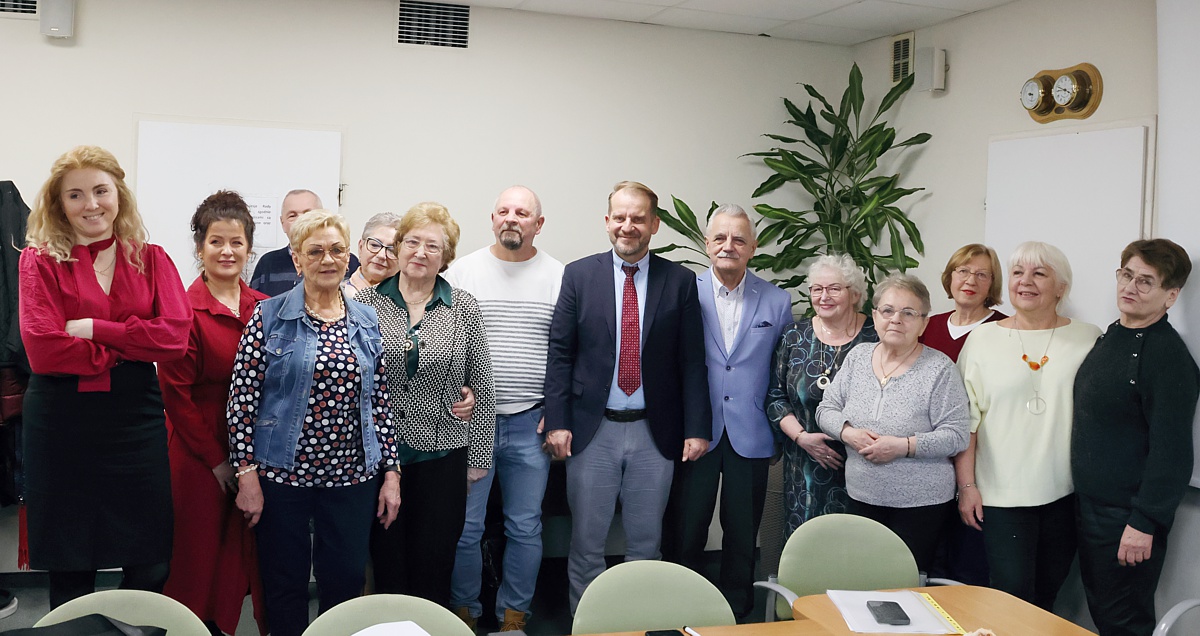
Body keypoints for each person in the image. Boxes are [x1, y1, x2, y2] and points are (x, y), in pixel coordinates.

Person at [19, 145, 190, 607]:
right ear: (58, 205)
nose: (91, 204)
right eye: (75, 195)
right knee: (72, 562)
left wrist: (98, 331)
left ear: (119, 195)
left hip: (134, 417)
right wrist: (125, 352)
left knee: (150, 557)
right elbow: (44, 349)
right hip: (61, 419)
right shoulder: (39, 260)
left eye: (100, 190)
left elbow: (174, 338)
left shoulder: (152, 258)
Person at [228, 210, 400, 636]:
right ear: (297, 258)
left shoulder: (366, 319)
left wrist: (391, 472)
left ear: (349, 258)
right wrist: (246, 475)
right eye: (316, 251)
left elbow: (380, 400)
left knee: (342, 584)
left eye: (337, 250)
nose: (328, 259)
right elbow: (242, 400)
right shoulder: (269, 316)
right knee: (284, 586)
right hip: (282, 476)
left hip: (352, 478)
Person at [545, 181, 711, 613]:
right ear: (606, 222)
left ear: (654, 224)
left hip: (654, 435)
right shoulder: (579, 275)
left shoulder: (680, 281)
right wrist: (558, 420)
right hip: (591, 431)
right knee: (586, 543)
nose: (628, 226)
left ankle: (639, 619)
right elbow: (561, 354)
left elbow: (692, 362)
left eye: (638, 218)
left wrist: (697, 428)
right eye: (620, 217)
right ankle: (590, 622)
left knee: (645, 542)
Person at [357, 202, 496, 607]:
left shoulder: (465, 308)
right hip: (379, 459)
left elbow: (483, 387)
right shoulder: (364, 305)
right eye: (412, 242)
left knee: (434, 565)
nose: (420, 252)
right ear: (398, 248)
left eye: (432, 246)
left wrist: (479, 457)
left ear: (445, 257)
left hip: (443, 455)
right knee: (387, 563)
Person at [956, 241, 1101, 611]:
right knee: (1011, 596)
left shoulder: (1089, 338)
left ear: (1061, 288)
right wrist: (967, 486)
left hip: (1065, 493)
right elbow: (967, 421)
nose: (1026, 281)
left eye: (1040, 273)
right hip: (1000, 494)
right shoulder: (983, 338)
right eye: (1018, 272)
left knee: (1048, 594)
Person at [445, 186, 563, 632]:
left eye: (523, 212)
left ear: (538, 223)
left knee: (525, 527)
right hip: (472, 423)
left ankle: (513, 618)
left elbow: (566, 351)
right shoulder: (462, 272)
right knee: (465, 527)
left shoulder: (558, 275)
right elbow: (444, 342)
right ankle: (463, 613)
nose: (512, 218)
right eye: (504, 211)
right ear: (492, 218)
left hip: (531, 422)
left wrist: (558, 408)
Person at [1072, 239, 1199, 636]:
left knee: (1123, 621)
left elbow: (1173, 452)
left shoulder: (1167, 356)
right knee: (1104, 613)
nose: (1130, 286)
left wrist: (1144, 522)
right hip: (1092, 505)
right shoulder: (1114, 334)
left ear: (1171, 296)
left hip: (1126, 517)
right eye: (1126, 274)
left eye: (1146, 281)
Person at [158, 191, 269, 636]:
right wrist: (218, 461)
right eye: (216, 242)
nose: (227, 251)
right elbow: (176, 397)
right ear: (199, 247)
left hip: (254, 452)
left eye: (236, 242)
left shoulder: (265, 306)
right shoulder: (181, 310)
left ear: (249, 248)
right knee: (198, 556)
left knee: (243, 556)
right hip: (197, 451)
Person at [673, 203, 791, 619]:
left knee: (743, 536)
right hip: (696, 432)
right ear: (707, 244)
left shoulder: (777, 301)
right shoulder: (684, 290)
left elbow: (782, 372)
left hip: (752, 434)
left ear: (753, 247)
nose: (729, 246)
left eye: (739, 239)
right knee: (687, 530)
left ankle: (737, 616)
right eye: (720, 237)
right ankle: (684, 611)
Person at [815, 274, 971, 572]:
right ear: (875, 316)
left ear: (924, 322)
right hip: (861, 495)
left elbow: (956, 436)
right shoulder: (858, 357)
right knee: (860, 579)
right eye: (887, 311)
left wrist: (903, 446)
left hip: (920, 505)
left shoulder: (940, 369)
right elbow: (826, 410)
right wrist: (849, 434)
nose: (896, 319)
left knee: (905, 587)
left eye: (908, 313)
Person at [766, 253, 877, 537]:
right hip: (804, 464)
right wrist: (803, 439)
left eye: (834, 288)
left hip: (864, 464)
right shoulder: (794, 335)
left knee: (858, 547)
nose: (823, 296)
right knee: (808, 544)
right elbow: (775, 396)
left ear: (854, 294)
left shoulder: (876, 335)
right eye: (817, 289)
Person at [920, 244, 1006, 585]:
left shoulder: (1003, 329)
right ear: (950, 277)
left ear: (992, 284)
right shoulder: (927, 326)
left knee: (969, 565)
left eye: (982, 274)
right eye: (963, 271)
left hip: (979, 464)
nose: (970, 280)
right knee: (931, 562)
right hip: (929, 463)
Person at [249, 189, 358, 296]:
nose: (300, 220)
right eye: (292, 215)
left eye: (308, 214)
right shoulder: (268, 263)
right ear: (283, 223)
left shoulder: (346, 262)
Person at [345, 212, 403, 295]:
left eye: (391, 250)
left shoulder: (412, 301)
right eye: (375, 245)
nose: (381, 255)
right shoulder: (341, 298)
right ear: (361, 247)